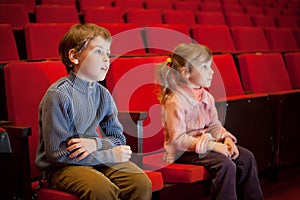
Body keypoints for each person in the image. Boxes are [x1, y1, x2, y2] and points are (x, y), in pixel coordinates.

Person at [35, 23, 152, 200]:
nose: (107, 59)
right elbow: (58, 155)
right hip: (62, 168)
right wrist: (108, 154)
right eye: (98, 51)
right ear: (74, 56)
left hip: (94, 157)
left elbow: (118, 138)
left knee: (140, 182)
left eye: (108, 53)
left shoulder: (103, 94)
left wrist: (96, 145)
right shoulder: (58, 94)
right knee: (102, 189)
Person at [156, 43, 264, 200]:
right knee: (225, 165)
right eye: (205, 67)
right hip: (183, 152)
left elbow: (214, 126)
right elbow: (178, 141)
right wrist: (213, 146)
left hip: (205, 147)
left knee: (246, 157)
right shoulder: (175, 100)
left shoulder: (207, 97)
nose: (212, 72)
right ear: (185, 73)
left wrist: (226, 139)